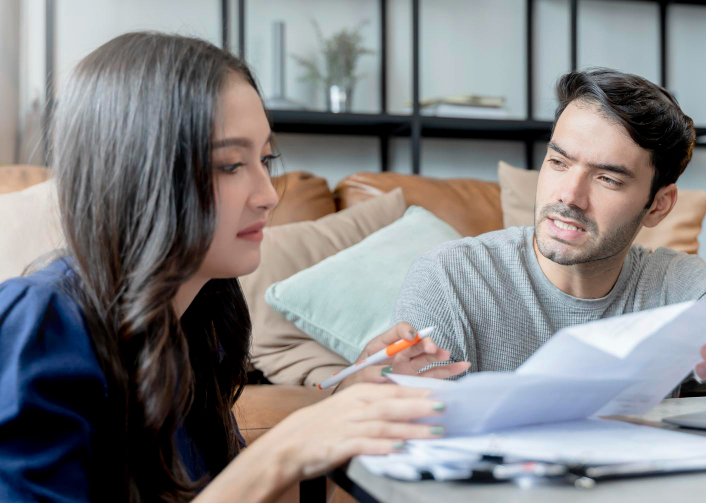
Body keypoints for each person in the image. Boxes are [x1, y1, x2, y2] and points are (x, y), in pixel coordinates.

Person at [0, 32, 462, 502]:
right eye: (229, 165)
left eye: (264, 159)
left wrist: (347, 406)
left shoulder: (199, 323)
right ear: (139, 171)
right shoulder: (40, 323)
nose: (266, 196)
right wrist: (286, 447)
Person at [369, 68, 706, 401]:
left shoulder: (675, 284)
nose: (569, 195)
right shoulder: (451, 277)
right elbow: (409, 415)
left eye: (607, 179)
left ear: (658, 205)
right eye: (559, 162)